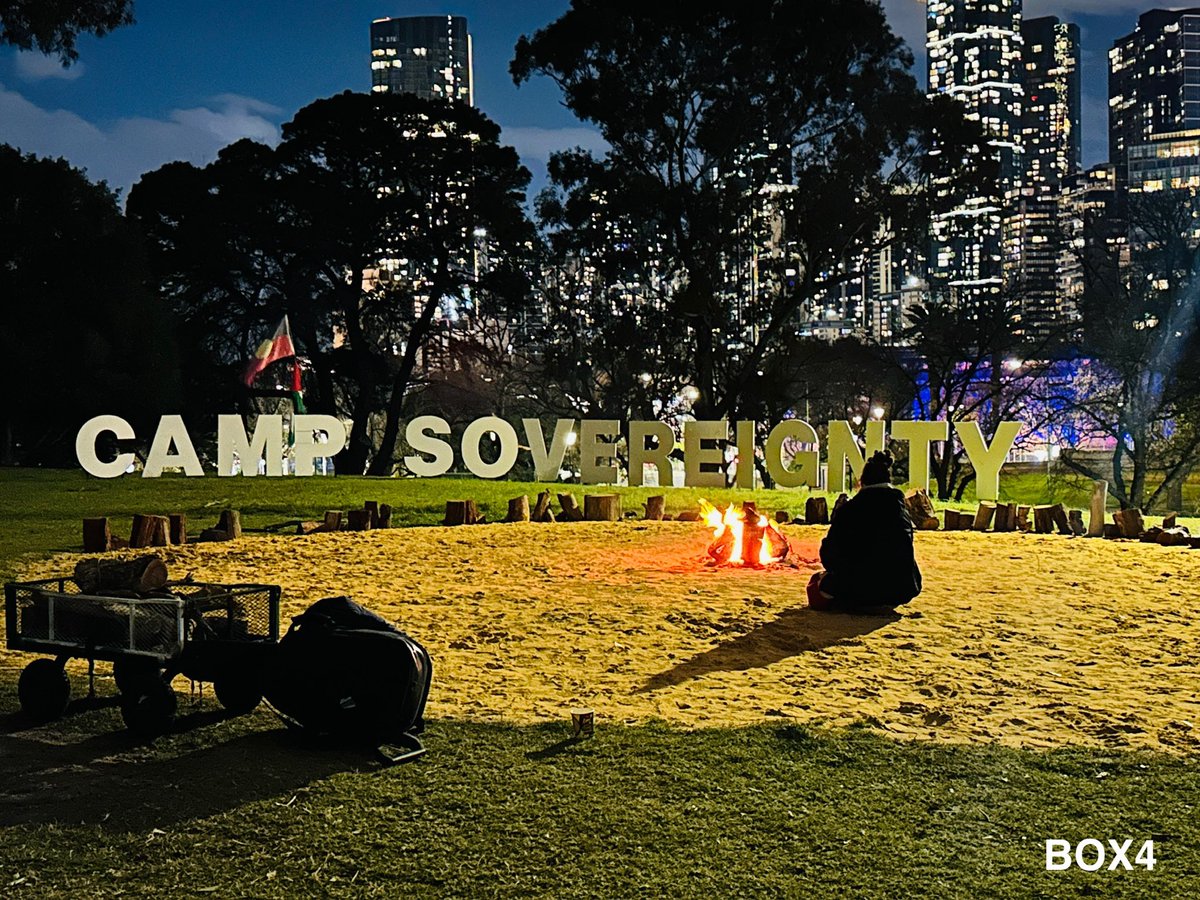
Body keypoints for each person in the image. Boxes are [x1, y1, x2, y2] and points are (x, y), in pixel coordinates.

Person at [806, 450, 922, 612]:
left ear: (862, 481)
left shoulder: (850, 510)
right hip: (900, 588)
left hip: (860, 586)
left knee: (817, 584)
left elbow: (830, 555)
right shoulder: (901, 510)